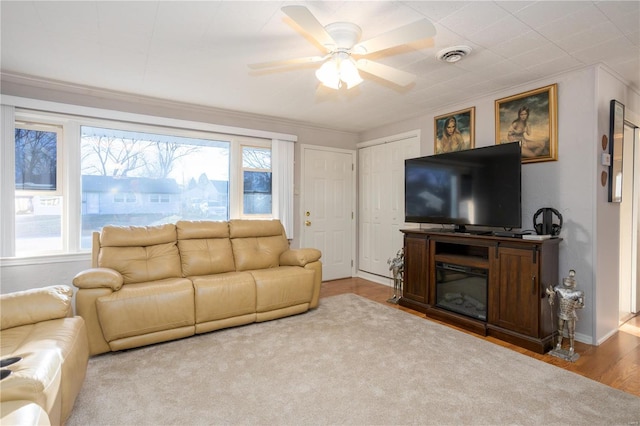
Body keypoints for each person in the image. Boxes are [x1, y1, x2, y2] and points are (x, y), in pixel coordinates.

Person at [546, 269, 584, 355]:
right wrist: (551, 298)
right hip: (561, 313)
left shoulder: (578, 293)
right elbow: (552, 293)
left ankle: (571, 347)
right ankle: (558, 344)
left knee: (571, 332)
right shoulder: (559, 289)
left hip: (571, 314)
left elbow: (582, 305)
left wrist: (575, 305)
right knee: (560, 330)